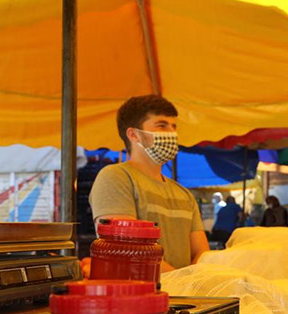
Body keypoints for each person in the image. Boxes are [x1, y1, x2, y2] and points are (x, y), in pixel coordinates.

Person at [88, 94, 209, 273]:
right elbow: (125, 248)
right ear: (134, 135)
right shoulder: (115, 177)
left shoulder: (184, 194)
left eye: (173, 126)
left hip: (182, 297)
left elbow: (201, 252)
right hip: (136, 297)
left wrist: (189, 284)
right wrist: (181, 279)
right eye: (161, 125)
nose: (171, 133)